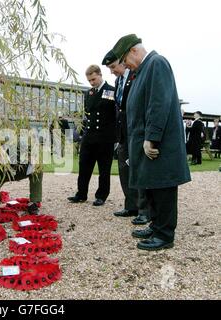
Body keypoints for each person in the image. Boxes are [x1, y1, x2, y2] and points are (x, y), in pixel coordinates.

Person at [111, 34, 191, 250]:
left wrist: (151, 137)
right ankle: (156, 226)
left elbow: (158, 103)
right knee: (152, 185)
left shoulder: (157, 63)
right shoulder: (141, 71)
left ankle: (165, 235)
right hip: (145, 142)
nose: (125, 65)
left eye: (125, 59)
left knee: (163, 186)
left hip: (158, 144)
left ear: (134, 51)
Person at [102, 50, 150, 225]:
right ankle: (131, 205)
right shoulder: (118, 81)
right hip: (123, 131)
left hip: (136, 128)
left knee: (139, 169)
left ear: (122, 62)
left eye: (113, 66)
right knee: (124, 168)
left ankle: (145, 210)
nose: (112, 71)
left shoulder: (136, 76)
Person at [68, 65, 116, 206]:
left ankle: (101, 195)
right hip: (89, 137)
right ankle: (81, 193)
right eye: (89, 80)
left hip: (104, 137)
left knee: (104, 170)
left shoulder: (110, 91)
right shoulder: (88, 93)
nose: (92, 83)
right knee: (84, 167)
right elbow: (89, 114)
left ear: (100, 75)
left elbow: (107, 110)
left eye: (94, 79)